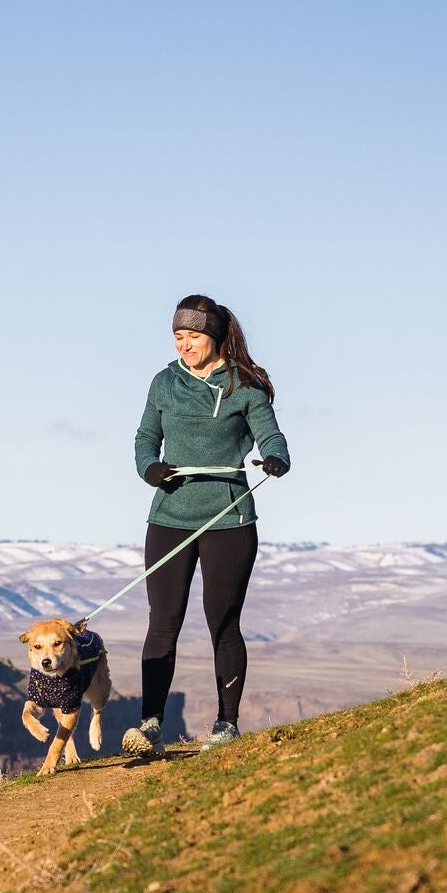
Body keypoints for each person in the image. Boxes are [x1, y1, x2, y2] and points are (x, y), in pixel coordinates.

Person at [120, 295, 290, 759]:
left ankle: (226, 724)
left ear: (214, 336)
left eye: (193, 335)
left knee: (223, 620)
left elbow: (270, 435)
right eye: (178, 336)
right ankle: (150, 725)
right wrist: (149, 468)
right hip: (169, 517)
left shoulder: (245, 386)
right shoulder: (164, 382)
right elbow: (145, 438)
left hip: (228, 518)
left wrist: (276, 458)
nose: (185, 344)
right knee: (162, 622)